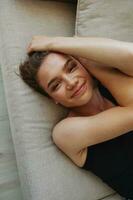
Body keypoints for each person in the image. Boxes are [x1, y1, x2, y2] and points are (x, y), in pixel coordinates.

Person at [19, 36, 133, 199]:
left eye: (71, 68)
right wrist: (87, 64)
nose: (71, 82)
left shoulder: (112, 87)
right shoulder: (65, 133)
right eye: (56, 85)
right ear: (54, 99)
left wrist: (54, 43)